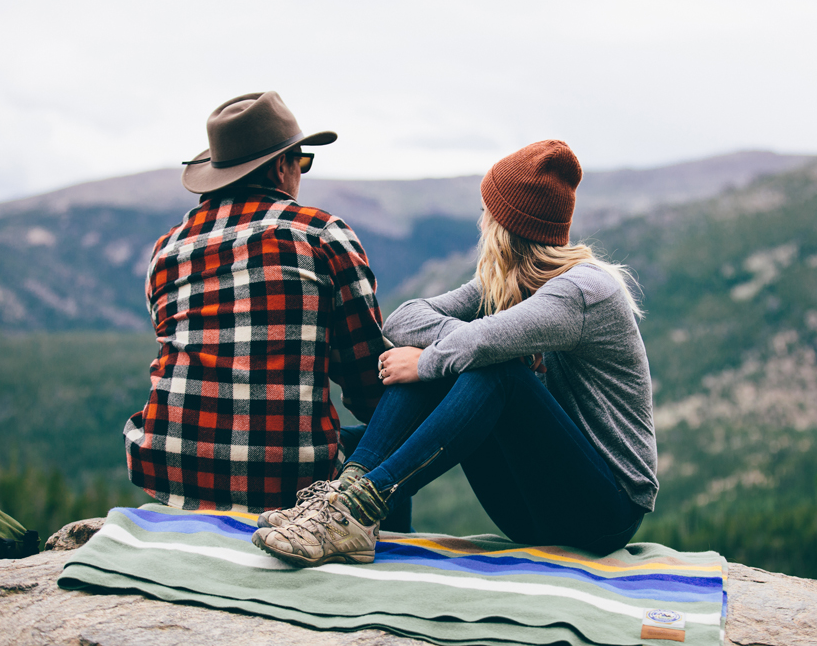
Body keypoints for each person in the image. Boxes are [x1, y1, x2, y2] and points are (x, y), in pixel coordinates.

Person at [252, 139, 658, 567]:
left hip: (604, 512)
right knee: (461, 357)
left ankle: (364, 507)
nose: (482, 220)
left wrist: (429, 361)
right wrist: (447, 351)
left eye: (488, 210)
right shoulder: (504, 285)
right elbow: (405, 320)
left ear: (503, 223)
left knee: (494, 371)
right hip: (530, 508)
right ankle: (345, 499)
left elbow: (481, 345)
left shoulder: (583, 291)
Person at [123, 91, 387, 514]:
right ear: (282, 166)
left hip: (171, 466)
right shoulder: (318, 233)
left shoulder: (166, 249)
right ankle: (372, 553)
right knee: (382, 451)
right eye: (301, 160)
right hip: (286, 482)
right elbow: (366, 381)